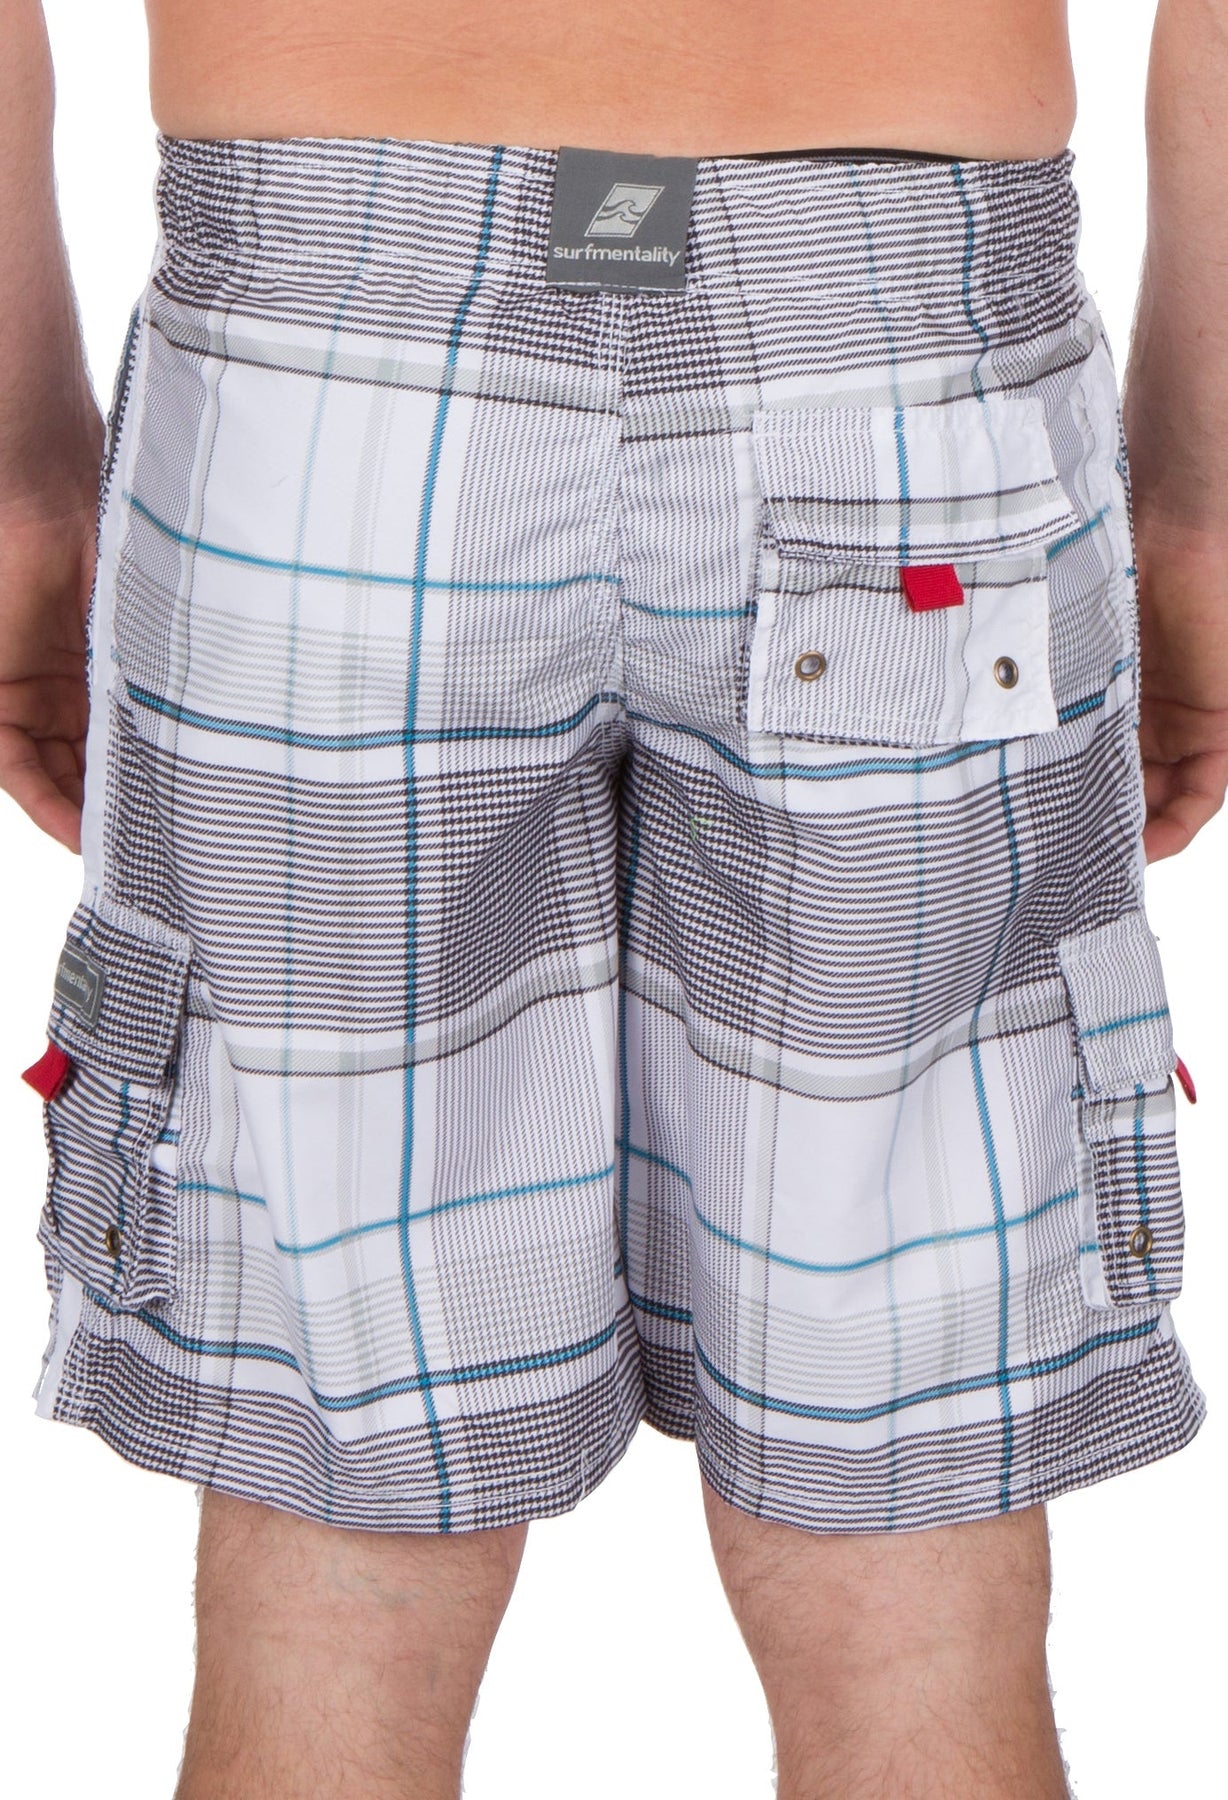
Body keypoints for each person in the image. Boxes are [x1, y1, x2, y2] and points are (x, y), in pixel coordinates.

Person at [2, 1, 1221, 1794]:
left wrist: (21, 471)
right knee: (909, 1551)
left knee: (333, 1551)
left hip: (327, 382)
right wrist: (1200, 489)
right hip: (897, 346)